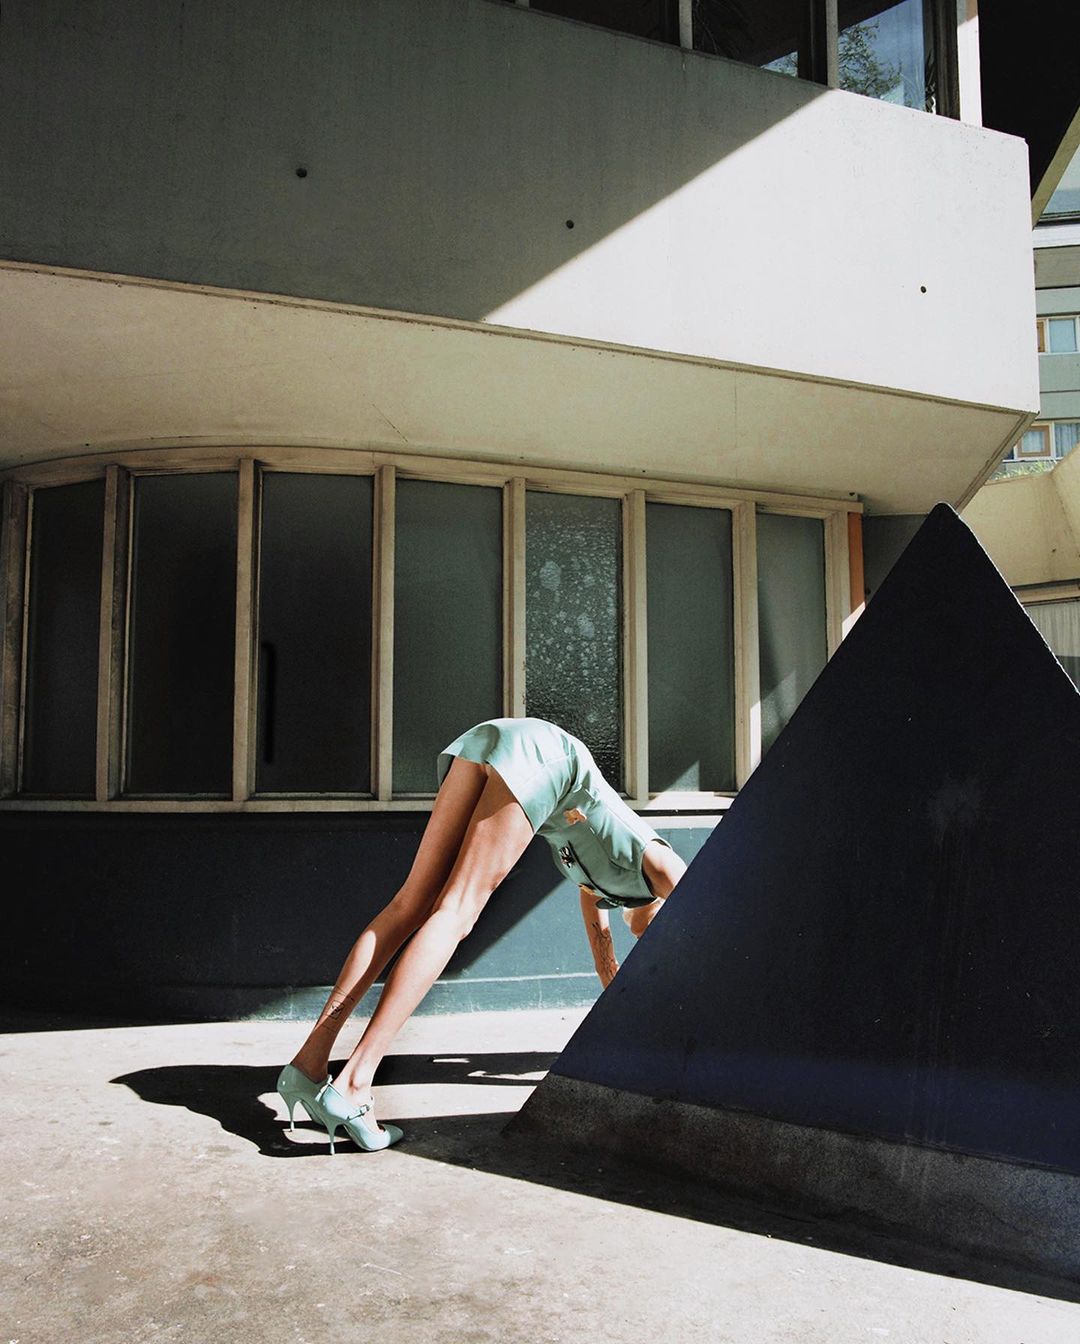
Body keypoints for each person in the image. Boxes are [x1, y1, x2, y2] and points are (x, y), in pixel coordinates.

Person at [276, 717, 687, 1153]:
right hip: (546, 757)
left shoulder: (609, 890)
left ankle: (307, 1064)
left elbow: (602, 945)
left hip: (499, 741)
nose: (649, 946)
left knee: (411, 903)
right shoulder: (659, 865)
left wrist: (618, 999)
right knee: (456, 913)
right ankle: (355, 1082)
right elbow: (699, 922)